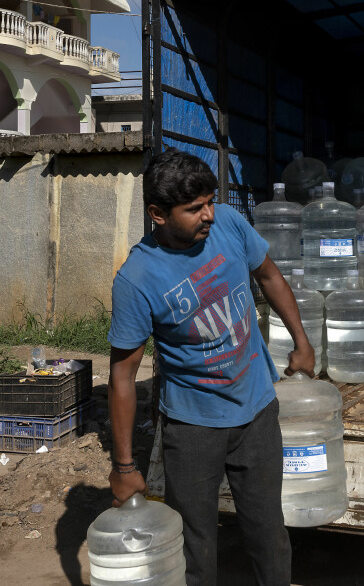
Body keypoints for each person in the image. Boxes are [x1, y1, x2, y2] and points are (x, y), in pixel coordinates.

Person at [107, 148, 316, 586]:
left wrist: (302, 342)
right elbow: (123, 376)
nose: (208, 215)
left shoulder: (229, 223)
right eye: (194, 208)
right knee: (195, 546)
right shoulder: (138, 278)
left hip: (257, 409)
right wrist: (125, 468)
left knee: (268, 533)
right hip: (193, 426)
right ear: (157, 214)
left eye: (209, 202)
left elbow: (270, 277)